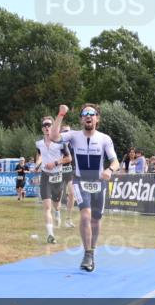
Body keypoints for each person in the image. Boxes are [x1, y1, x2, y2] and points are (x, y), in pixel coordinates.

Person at [50, 103, 119, 272]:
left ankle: (92, 251)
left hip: (99, 183)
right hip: (80, 181)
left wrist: (110, 170)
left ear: (97, 118)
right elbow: (53, 137)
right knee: (86, 216)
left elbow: (115, 162)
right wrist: (60, 114)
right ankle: (87, 254)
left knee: (96, 219)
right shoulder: (73, 135)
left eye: (92, 113)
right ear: (81, 119)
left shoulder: (105, 139)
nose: (88, 116)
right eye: (85, 114)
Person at [36, 116, 72, 243]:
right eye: (44, 125)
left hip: (58, 177)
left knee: (56, 205)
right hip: (45, 176)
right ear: (42, 128)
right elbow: (40, 155)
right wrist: (38, 164)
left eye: (49, 125)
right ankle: (50, 235)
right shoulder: (39, 143)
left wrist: (55, 163)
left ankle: (57, 212)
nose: (47, 127)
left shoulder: (60, 143)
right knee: (46, 207)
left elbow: (69, 159)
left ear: (53, 127)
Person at [59, 124, 78, 227]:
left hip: (70, 172)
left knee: (72, 194)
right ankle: (56, 215)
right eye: (65, 131)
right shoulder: (58, 144)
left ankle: (68, 219)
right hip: (59, 171)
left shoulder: (74, 144)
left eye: (68, 131)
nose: (67, 133)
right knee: (57, 196)